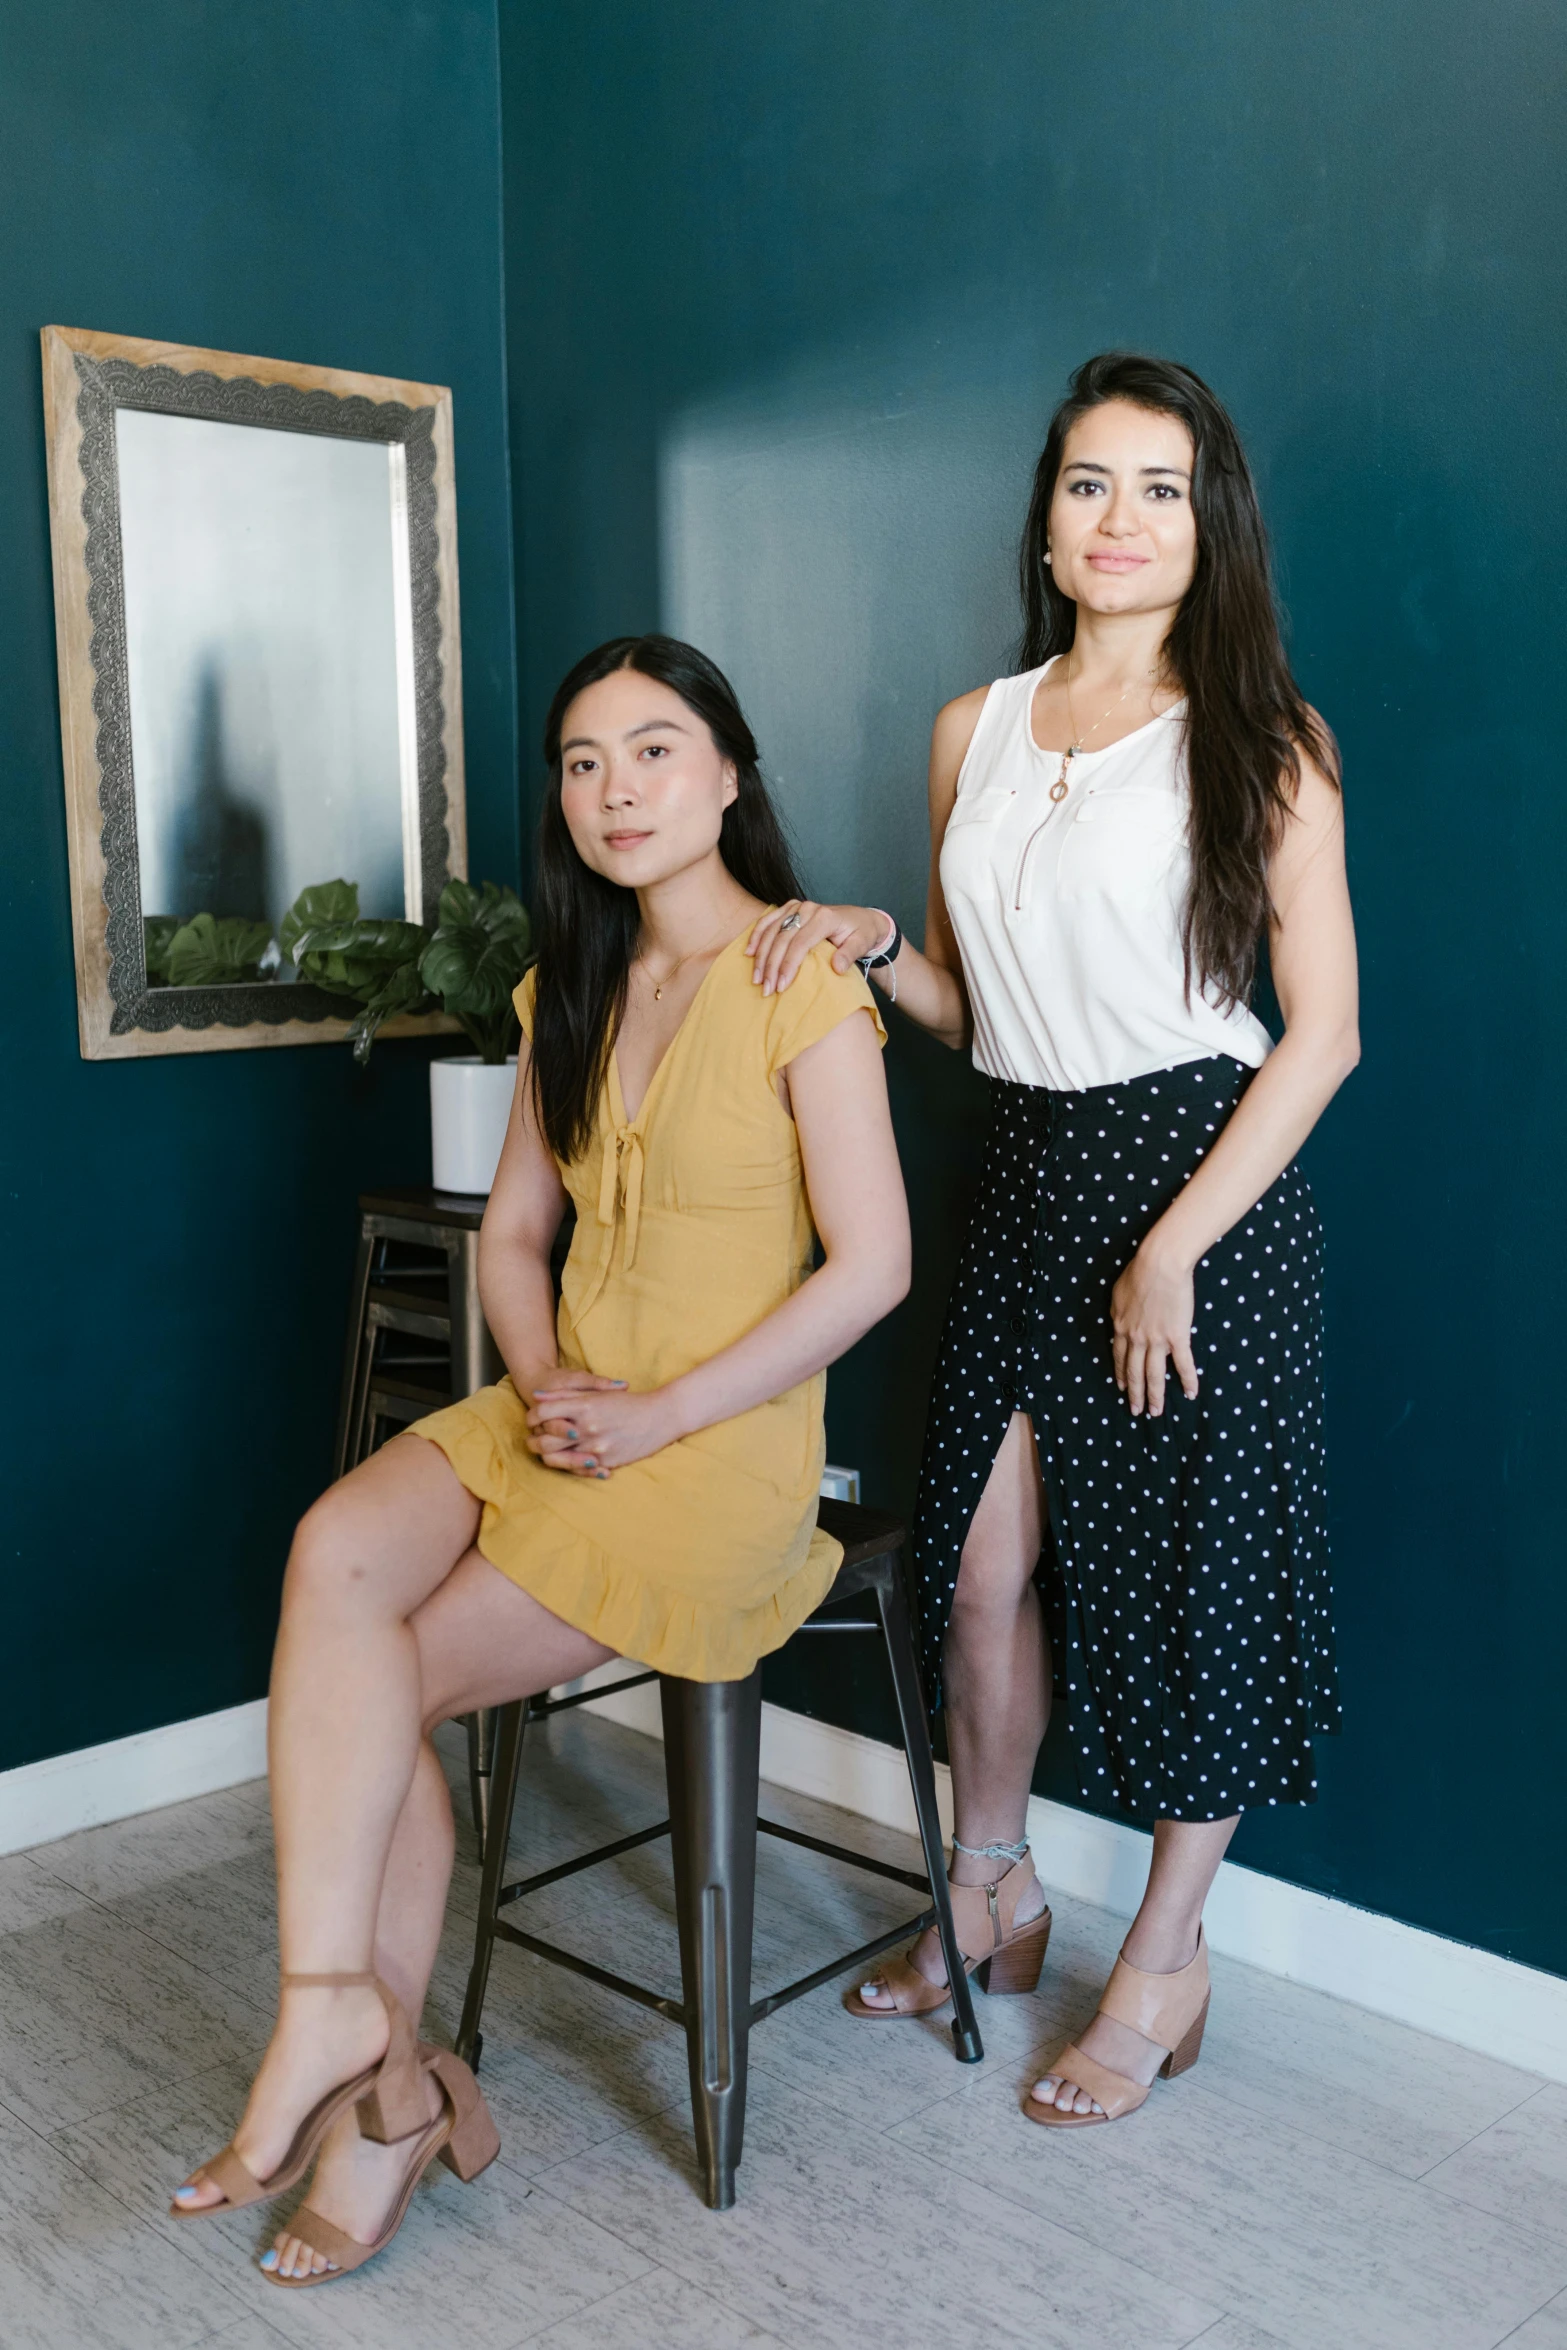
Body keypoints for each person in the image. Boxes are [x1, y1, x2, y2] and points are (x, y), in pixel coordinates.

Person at [169, 634, 908, 2277]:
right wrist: (550, 1375)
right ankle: (339, 2022)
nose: (616, 788)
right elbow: (514, 1234)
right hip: (563, 1398)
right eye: (583, 762)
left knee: (392, 1676)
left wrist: (647, 1413)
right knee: (330, 1555)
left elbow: (872, 1268)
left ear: (727, 774)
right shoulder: (564, 987)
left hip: (712, 1451)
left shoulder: (803, 982)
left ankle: (381, 2109)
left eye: (654, 751)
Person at [747, 351, 1358, 2126]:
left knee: (1191, 1591)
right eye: (1088, 482)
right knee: (980, 1567)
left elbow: (1317, 1031)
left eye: (1158, 487)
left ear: (1208, 519)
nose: (1118, 519)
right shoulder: (977, 726)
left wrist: (1169, 1245)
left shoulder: (1268, 740)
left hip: (1199, 1187)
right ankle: (993, 1887)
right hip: (1023, 1177)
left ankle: (1164, 1961)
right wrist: (874, 942)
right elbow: (976, 1010)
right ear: (1045, 512)